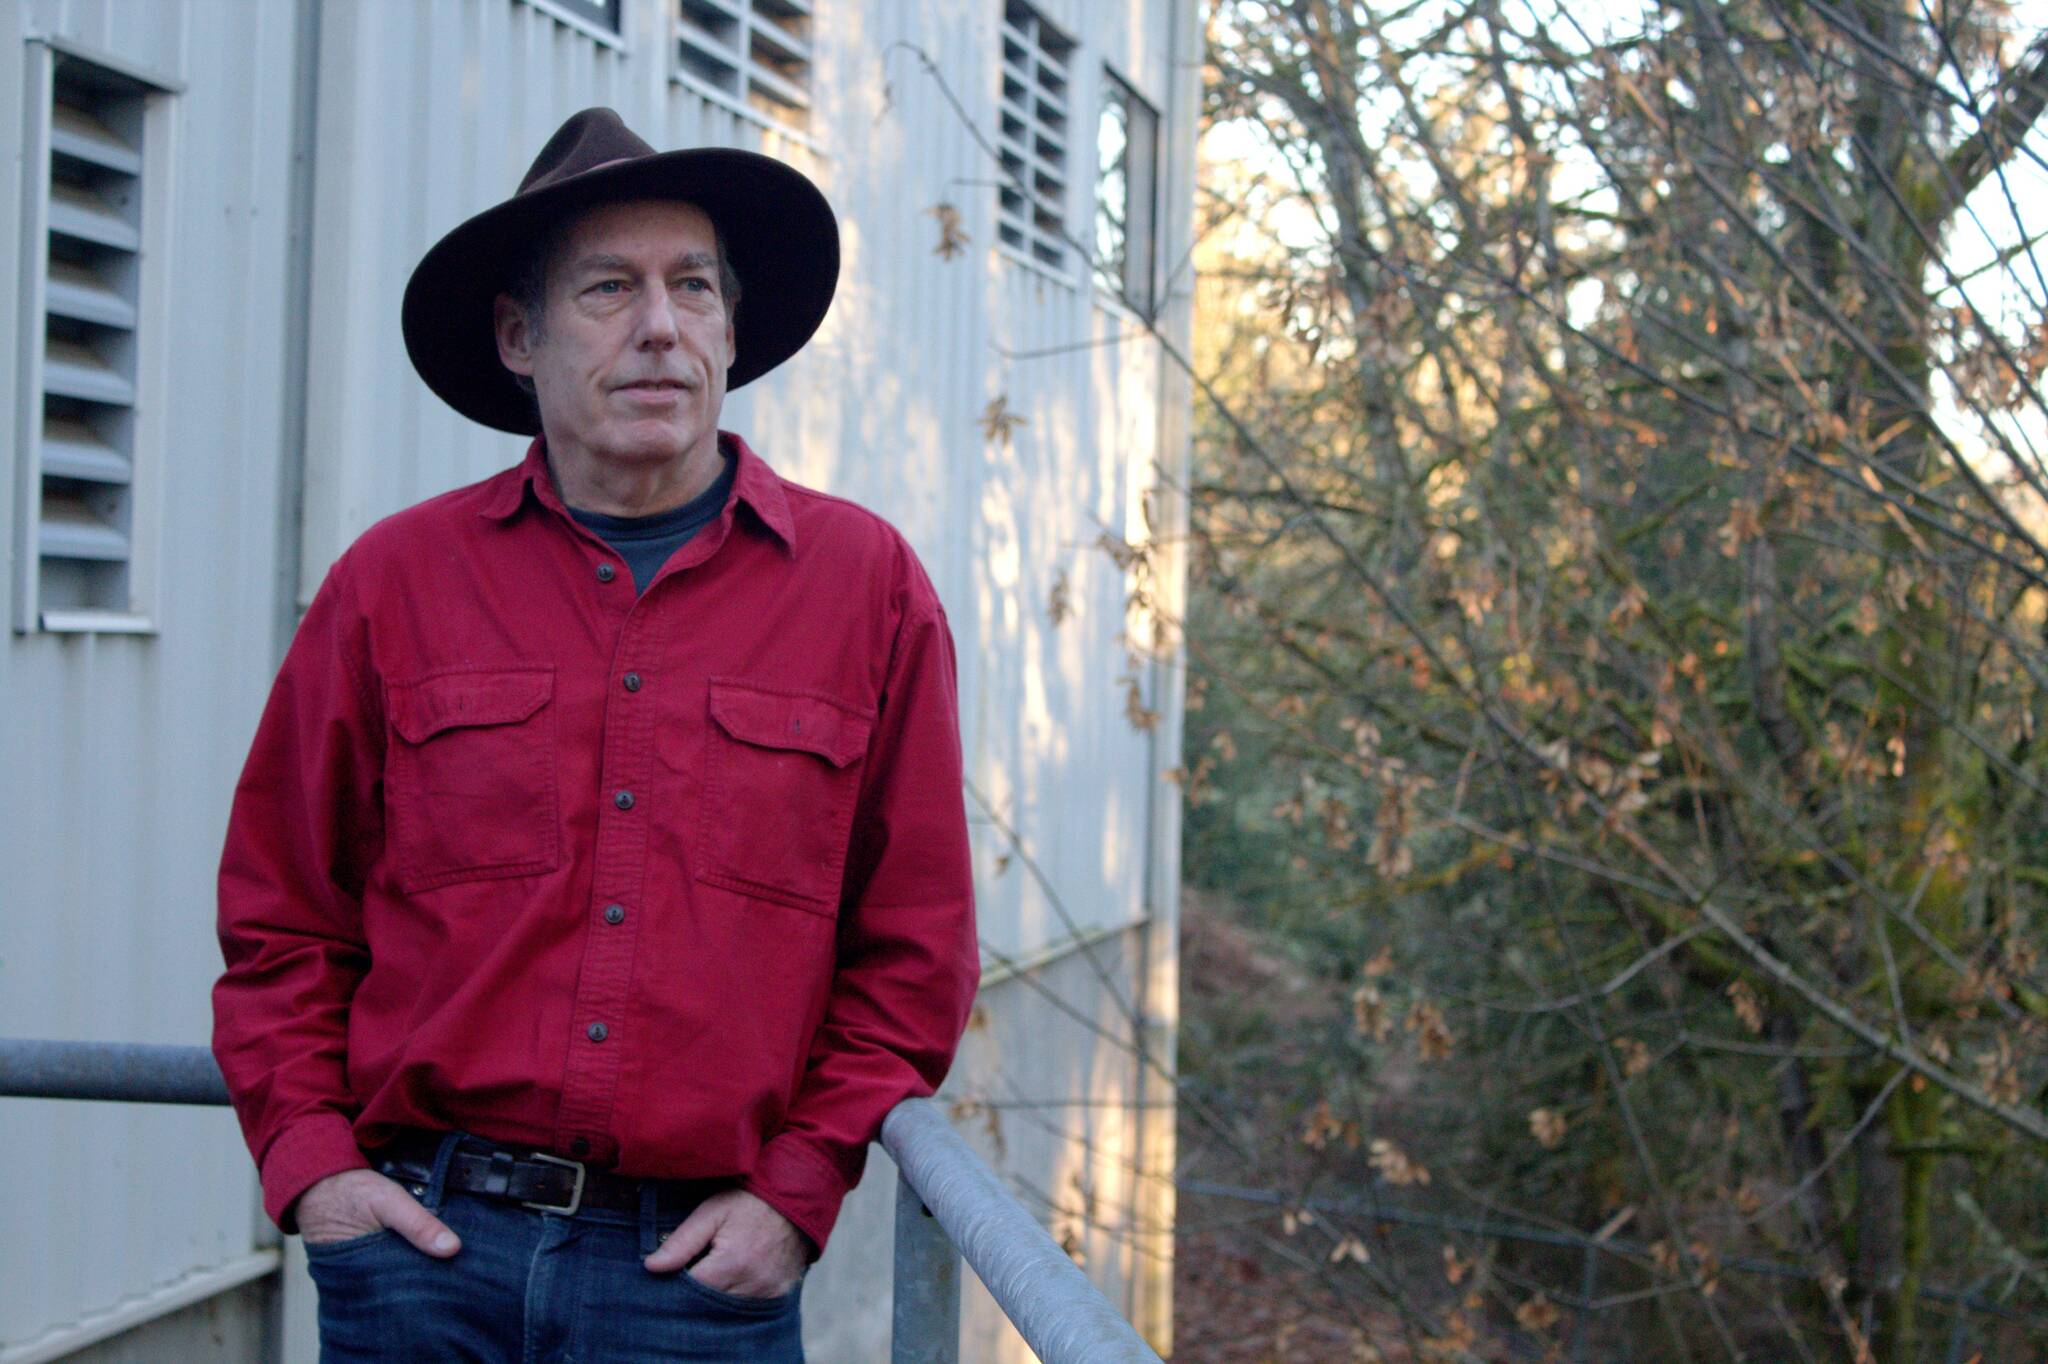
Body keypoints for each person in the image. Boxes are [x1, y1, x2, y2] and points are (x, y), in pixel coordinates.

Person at [211, 107, 979, 1361]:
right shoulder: (392, 584)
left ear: (731, 331)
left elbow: (916, 946)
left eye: (692, 287)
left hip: (695, 1283)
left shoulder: (865, 588)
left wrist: (798, 1188)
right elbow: (282, 915)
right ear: (518, 336)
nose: (660, 327)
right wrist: (315, 1173)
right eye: (608, 288)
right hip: (418, 1259)